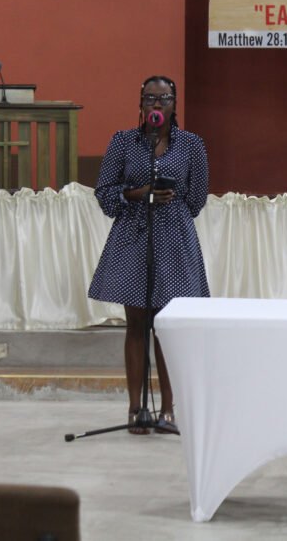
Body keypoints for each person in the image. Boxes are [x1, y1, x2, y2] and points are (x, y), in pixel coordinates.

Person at [88, 75, 210, 434]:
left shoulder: (191, 144)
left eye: (165, 98)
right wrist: (137, 194)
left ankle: (168, 410)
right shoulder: (123, 142)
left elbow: (198, 198)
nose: (157, 105)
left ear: (175, 104)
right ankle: (135, 408)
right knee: (137, 325)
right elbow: (104, 192)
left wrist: (171, 207)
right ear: (140, 104)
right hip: (133, 236)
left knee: (168, 327)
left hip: (174, 240)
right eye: (150, 99)